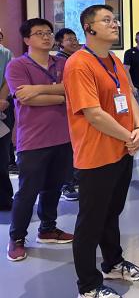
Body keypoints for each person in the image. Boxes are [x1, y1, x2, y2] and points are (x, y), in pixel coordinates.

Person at [64, 4, 139, 298]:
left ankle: (113, 263)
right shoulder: (79, 64)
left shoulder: (113, 60)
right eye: (107, 20)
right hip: (96, 156)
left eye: (115, 20)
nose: (115, 24)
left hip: (122, 150)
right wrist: (130, 137)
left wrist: (138, 128)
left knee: (111, 213)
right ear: (89, 28)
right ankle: (88, 286)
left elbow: (130, 96)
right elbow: (93, 114)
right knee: (90, 222)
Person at [5, 18, 73, 262]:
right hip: (33, 140)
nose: (46, 37)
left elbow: (73, 90)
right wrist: (60, 95)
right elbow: (25, 98)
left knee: (54, 187)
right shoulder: (17, 65)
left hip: (63, 137)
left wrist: (37, 89)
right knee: (27, 192)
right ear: (26, 39)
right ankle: (17, 238)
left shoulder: (63, 63)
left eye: (48, 32)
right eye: (39, 33)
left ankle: (47, 229)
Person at [53, 27, 81, 201]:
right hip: (63, 111)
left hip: (76, 110)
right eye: (69, 39)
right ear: (60, 43)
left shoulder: (75, 58)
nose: (74, 41)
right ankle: (66, 185)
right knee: (66, 151)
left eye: (75, 38)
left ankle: (74, 181)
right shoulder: (60, 61)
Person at [0, 27, 14, 211]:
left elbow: (8, 79)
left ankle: (3, 198)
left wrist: (1, 100)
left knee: (1, 156)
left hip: (2, 107)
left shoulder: (5, 53)